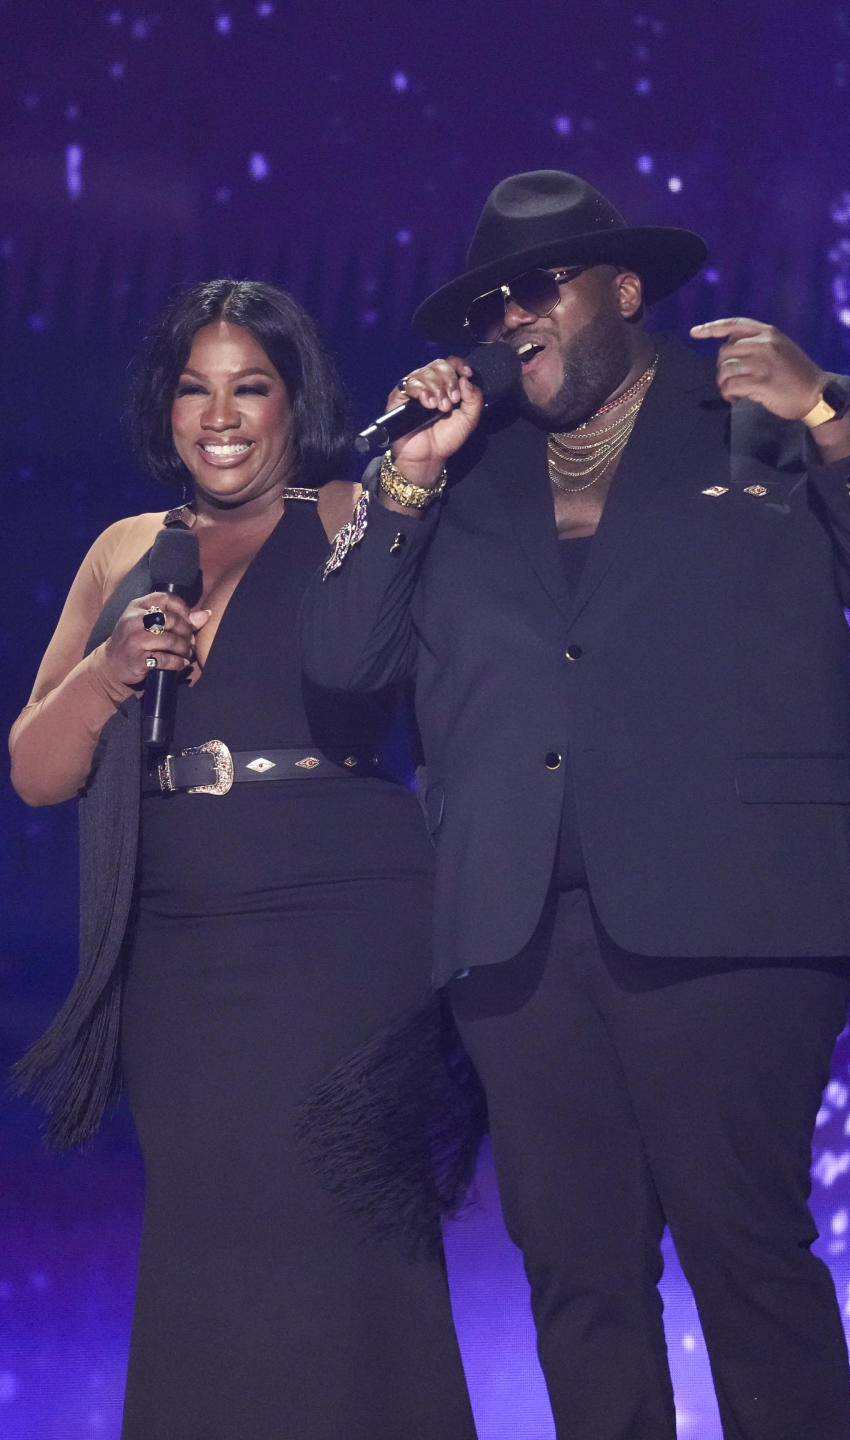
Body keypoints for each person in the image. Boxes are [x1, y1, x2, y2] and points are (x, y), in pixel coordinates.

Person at [298, 171, 850, 1440]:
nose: (512, 317)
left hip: (736, 915)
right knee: (581, 1282)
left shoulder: (752, 413)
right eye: (492, 303)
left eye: (539, 287)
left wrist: (826, 411)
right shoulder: (459, 467)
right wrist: (408, 485)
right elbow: (341, 668)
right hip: (519, 936)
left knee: (747, 1259)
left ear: (624, 289)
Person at [8, 280, 480, 1440]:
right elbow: (35, 770)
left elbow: (409, 688)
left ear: (292, 401)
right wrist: (113, 667)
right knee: (210, 1237)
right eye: (195, 389)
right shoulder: (125, 549)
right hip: (178, 936)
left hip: (343, 924)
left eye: (250, 387)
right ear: (165, 408)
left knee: (339, 1241)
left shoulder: (342, 516)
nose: (221, 415)